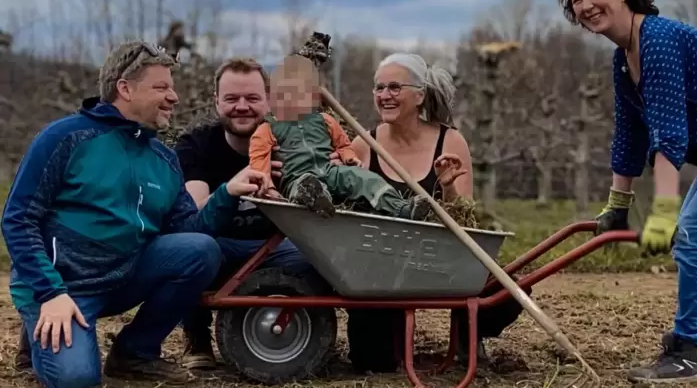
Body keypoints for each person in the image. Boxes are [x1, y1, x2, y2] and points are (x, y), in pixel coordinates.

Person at [1, 41, 271, 388]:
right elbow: (18, 218)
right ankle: (38, 329)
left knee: (201, 250)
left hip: (122, 276)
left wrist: (228, 192)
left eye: (171, 87)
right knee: (77, 379)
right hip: (64, 287)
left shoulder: (162, 158)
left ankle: (135, 353)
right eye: (161, 87)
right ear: (124, 89)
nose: (173, 97)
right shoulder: (64, 138)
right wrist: (49, 294)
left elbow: (188, 229)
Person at [557, 0, 697, 384]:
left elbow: (669, 134)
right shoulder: (623, 59)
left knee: (692, 235)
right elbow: (630, 133)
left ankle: (689, 353)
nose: (586, 5)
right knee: (695, 238)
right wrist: (617, 203)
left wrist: (664, 211)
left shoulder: (658, 39)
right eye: (577, 0)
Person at [345, 52, 527, 373]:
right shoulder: (364, 145)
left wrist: (447, 187)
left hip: (443, 259)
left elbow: (465, 223)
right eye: (379, 88)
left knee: (507, 293)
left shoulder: (450, 141)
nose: (384, 95)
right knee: (373, 361)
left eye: (394, 87)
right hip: (383, 264)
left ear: (419, 95)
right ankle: (393, 331)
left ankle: (466, 332)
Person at [173, 57, 334, 369]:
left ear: (270, 101)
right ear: (216, 101)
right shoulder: (196, 145)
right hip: (220, 245)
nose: (242, 106)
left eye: (252, 98)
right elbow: (195, 214)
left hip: (278, 247)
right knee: (191, 248)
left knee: (322, 254)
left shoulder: (291, 140)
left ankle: (311, 336)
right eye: (232, 99)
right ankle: (196, 336)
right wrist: (240, 181)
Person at [249, 54, 432, 220]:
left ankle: (402, 208)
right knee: (304, 186)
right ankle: (318, 198)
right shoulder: (268, 128)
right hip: (297, 175)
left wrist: (349, 157)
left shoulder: (324, 120)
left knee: (363, 178)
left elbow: (343, 144)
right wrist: (269, 188)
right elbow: (260, 161)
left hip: (329, 170)